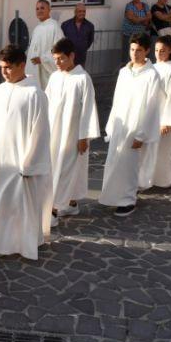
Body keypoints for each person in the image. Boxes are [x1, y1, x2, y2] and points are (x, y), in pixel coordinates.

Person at [0, 45, 52, 262]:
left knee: (13, 204)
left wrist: (29, 163)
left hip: (19, 161)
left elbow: (40, 132)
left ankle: (2, 244)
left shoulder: (35, 94)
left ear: (22, 65)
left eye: (9, 67)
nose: (4, 72)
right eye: (2, 67)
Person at [99, 33, 162, 216]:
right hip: (120, 125)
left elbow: (151, 107)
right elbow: (117, 99)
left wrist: (142, 134)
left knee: (130, 165)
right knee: (114, 161)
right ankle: (112, 196)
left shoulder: (152, 75)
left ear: (147, 51)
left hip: (136, 126)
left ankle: (128, 200)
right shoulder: (124, 72)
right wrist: (111, 125)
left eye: (139, 50)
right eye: (132, 49)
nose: (134, 54)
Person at [46, 38, 100, 219]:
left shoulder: (83, 79)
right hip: (54, 132)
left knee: (65, 170)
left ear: (72, 56)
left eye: (61, 58)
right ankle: (71, 203)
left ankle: (53, 209)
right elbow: (46, 103)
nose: (58, 63)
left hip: (73, 134)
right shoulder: (54, 77)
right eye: (55, 59)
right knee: (56, 168)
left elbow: (88, 108)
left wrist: (84, 136)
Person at [138, 36, 171, 189]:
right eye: (156, 50)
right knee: (148, 149)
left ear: (170, 50)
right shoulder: (151, 68)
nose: (158, 54)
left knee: (163, 151)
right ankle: (147, 177)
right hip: (149, 114)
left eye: (162, 51)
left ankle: (166, 177)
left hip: (162, 116)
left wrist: (167, 121)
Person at [26, 0, 63, 89]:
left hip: (46, 72)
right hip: (34, 70)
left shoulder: (54, 27)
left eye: (42, 8)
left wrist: (43, 59)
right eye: (37, 9)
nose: (39, 11)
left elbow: (60, 49)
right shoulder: (37, 28)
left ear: (49, 9)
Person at [61, 3, 96, 68]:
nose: (82, 13)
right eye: (80, 11)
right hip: (67, 58)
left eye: (84, 11)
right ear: (75, 12)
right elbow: (61, 40)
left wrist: (82, 48)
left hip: (81, 59)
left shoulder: (90, 26)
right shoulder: (66, 25)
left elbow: (90, 41)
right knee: (67, 74)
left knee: (80, 74)